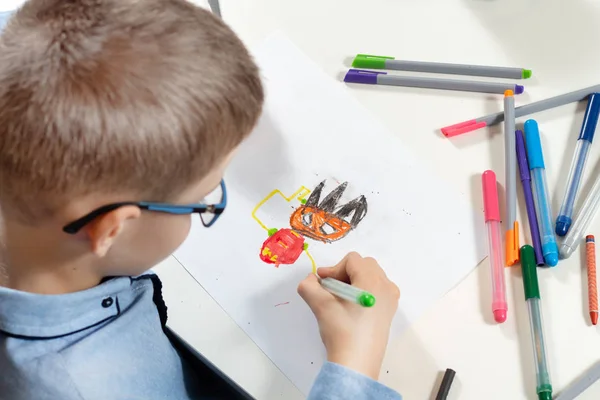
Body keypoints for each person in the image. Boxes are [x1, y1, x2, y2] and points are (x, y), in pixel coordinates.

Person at [0, 1, 402, 399]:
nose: (211, 201)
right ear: (112, 228)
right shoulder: (90, 385)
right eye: (203, 200)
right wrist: (355, 362)